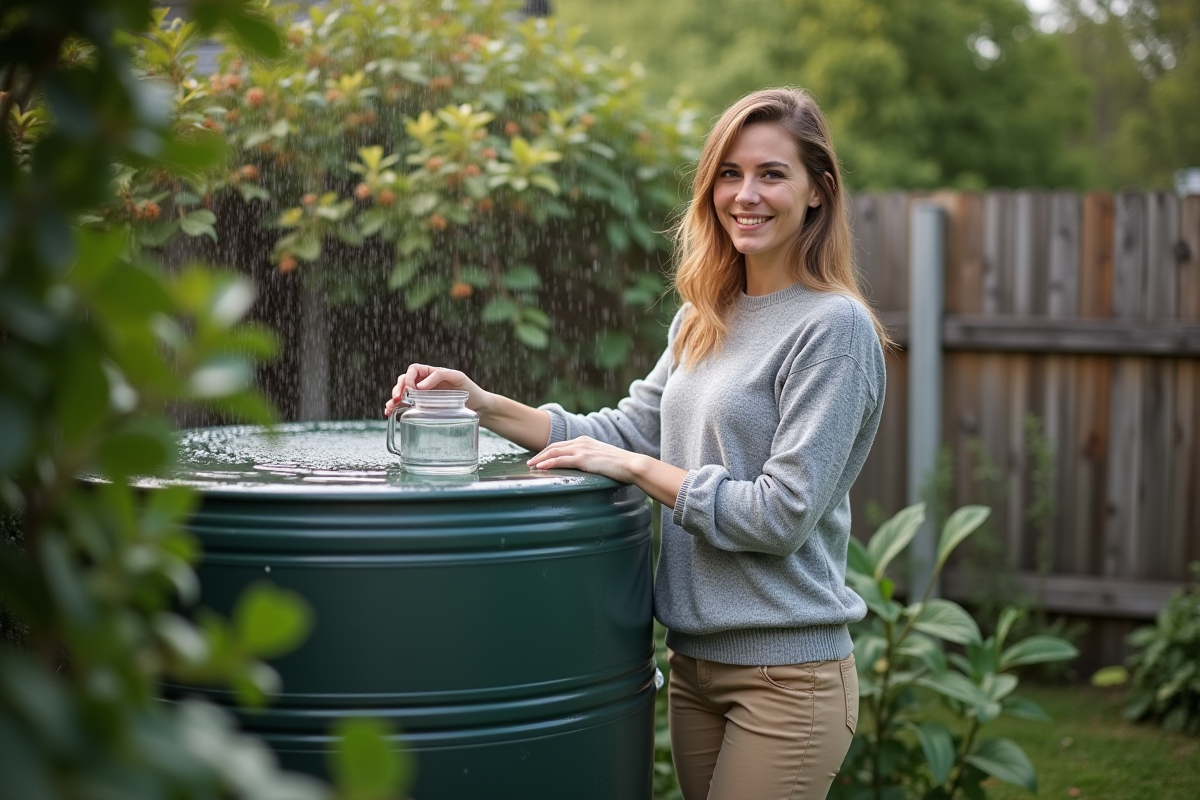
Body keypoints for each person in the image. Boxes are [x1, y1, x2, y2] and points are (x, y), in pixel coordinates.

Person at [384, 87, 889, 800]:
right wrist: (480, 401)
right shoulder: (702, 315)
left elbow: (780, 516)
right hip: (694, 667)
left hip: (787, 678)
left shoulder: (833, 330)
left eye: (772, 174)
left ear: (818, 192)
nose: (746, 194)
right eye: (729, 173)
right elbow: (622, 431)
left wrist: (633, 467)